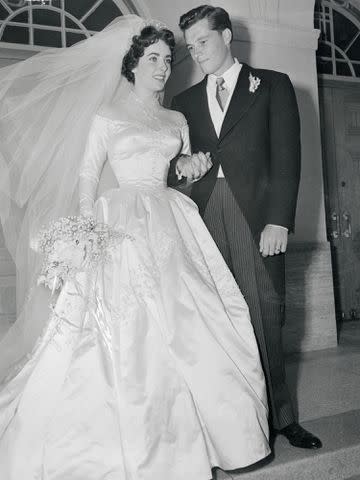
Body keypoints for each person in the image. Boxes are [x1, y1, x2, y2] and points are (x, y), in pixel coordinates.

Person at [0, 15, 270, 479]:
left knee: (192, 319)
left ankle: (209, 436)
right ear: (132, 65)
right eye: (153, 59)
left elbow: (177, 172)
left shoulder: (176, 118)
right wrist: (86, 230)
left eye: (168, 59)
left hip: (170, 219)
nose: (163, 67)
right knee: (123, 329)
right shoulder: (107, 116)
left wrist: (191, 165)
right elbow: (88, 173)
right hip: (118, 220)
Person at [170, 5, 322, 450]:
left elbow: (287, 157)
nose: (197, 53)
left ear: (227, 35)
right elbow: (174, 171)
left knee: (263, 312)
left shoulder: (272, 85)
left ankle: (282, 417)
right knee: (217, 319)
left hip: (256, 217)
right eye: (191, 45)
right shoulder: (184, 103)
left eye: (203, 41)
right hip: (203, 217)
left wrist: (280, 219)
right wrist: (185, 167)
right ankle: (236, 421)